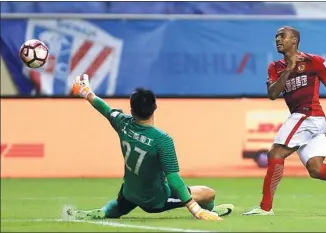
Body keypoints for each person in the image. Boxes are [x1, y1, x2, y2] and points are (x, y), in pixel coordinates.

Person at [243, 26, 326, 216]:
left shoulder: (314, 61)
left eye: (283, 36)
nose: (278, 40)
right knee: (315, 169)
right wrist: (289, 70)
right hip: (305, 118)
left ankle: (265, 208)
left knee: (275, 154)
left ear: (295, 40)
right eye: (276, 37)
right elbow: (273, 94)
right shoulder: (275, 67)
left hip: (309, 115)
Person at [66, 74, 233, 220]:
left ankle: (105, 211)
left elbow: (105, 108)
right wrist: (195, 209)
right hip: (155, 201)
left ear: (131, 110)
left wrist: (86, 92)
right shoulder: (162, 140)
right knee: (208, 193)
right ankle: (208, 209)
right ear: (155, 107)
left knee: (119, 205)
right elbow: (174, 181)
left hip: (129, 193)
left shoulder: (122, 123)